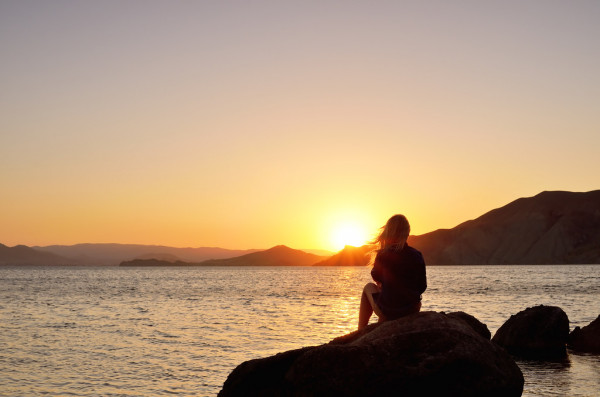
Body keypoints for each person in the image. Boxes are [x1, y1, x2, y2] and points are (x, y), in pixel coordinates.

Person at [358, 214, 427, 329]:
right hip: (412, 309)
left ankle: (360, 330)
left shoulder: (383, 255)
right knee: (386, 292)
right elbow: (422, 286)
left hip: (389, 311)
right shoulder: (417, 255)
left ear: (388, 232)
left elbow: (376, 276)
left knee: (368, 287)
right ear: (407, 233)